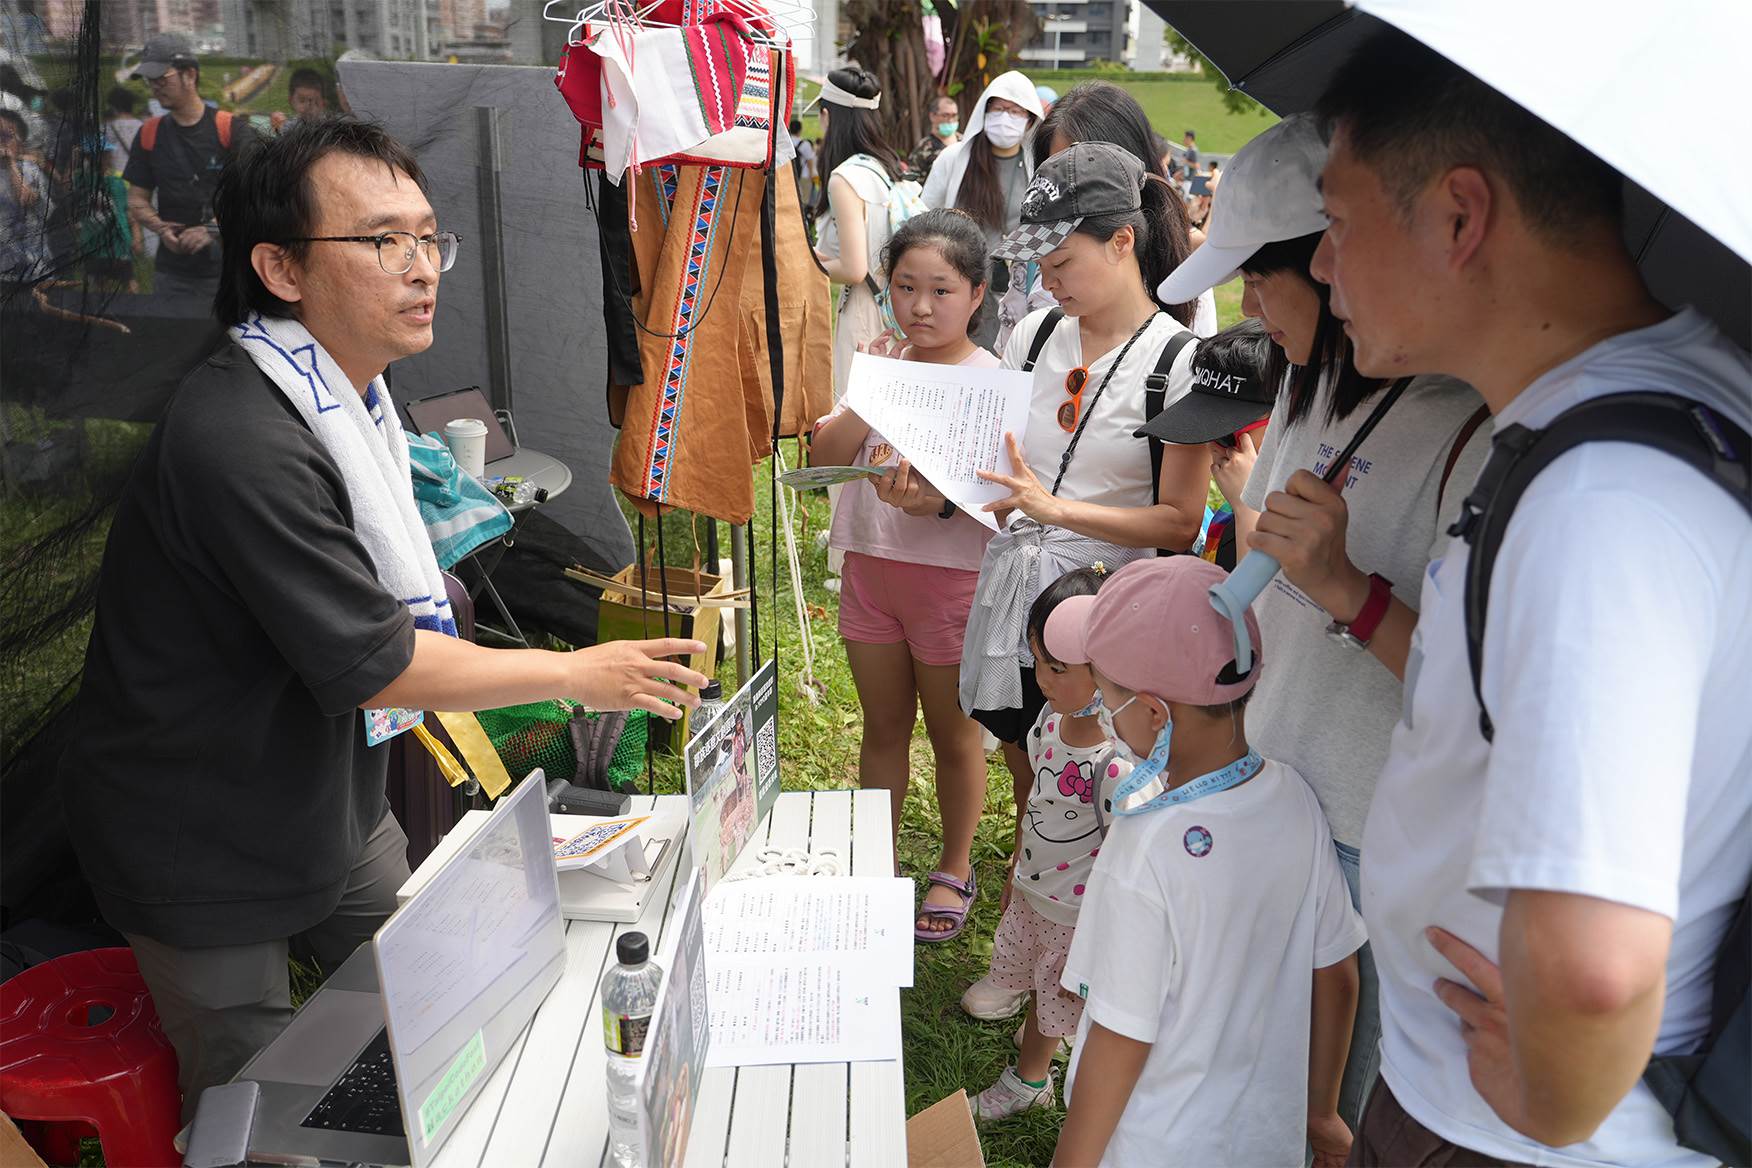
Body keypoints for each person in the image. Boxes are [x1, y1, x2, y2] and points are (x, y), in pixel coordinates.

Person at [57, 117, 708, 1116]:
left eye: (427, 238)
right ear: (278, 266)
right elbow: (381, 663)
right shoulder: (241, 436)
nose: (421, 268)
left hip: (327, 789)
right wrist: (581, 670)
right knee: (257, 1097)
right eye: (380, 241)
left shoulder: (343, 395)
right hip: (199, 820)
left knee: (449, 981)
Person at [1300, 32, 1752, 1166]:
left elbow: (1596, 972)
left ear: (1460, 216)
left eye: (1340, 221)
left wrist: (1551, 1101)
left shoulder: (1605, 504)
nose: (1319, 265)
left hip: (1510, 1134)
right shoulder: (1630, 415)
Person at [1157, 112, 1493, 1135]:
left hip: (1367, 827)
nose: (1250, 304)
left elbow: (1482, 682)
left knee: (1333, 1101)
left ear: (1333, 256)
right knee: (1257, 1064)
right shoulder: (1307, 379)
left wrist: (1353, 587)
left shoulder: (1471, 420)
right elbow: (1270, 552)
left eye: (1264, 276)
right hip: (1275, 776)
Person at [883, 143, 1210, 900]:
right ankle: (1034, 908)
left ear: (1122, 241)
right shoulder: (1030, 338)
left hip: (1111, 612)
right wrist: (930, 496)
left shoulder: (1177, 361)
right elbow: (993, 471)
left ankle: (1079, 948)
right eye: (1038, 266)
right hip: (1022, 596)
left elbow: (1181, 520)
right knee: (1032, 752)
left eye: (1060, 262)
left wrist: (1053, 509)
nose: (1046, 281)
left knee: (1106, 774)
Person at [1044, 556, 1366, 1167]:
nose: (1103, 713)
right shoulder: (1294, 797)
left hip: (1154, 1148)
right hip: (1267, 1143)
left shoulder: (1142, 852)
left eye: (1106, 695)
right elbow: (1338, 976)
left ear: (1154, 714)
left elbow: (1119, 1036)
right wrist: (1320, 1113)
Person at [812, 209, 997, 940]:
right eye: (905, 286)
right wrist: (873, 392)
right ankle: (878, 863)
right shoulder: (879, 370)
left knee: (955, 736)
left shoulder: (989, 383)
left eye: (942, 291)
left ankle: (955, 866)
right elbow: (827, 449)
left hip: (950, 584)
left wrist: (935, 502)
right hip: (871, 566)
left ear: (977, 296)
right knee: (883, 725)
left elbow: (994, 499)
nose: (921, 306)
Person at [961, 567, 1129, 1119]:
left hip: (1073, 913)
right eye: (1038, 663)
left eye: (1059, 668)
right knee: (1036, 979)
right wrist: (1015, 869)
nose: (1044, 680)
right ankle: (1045, 1035)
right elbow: (1036, 808)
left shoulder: (1115, 765)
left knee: (1051, 992)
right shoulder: (1047, 727)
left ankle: (1030, 1079)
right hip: (1036, 892)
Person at [1033, 81, 1216, 337]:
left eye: (1086, 169)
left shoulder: (1183, 274)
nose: (1048, 282)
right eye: (1055, 169)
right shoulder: (1034, 252)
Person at [123, 33, 255, 305]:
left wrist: (212, 229)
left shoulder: (231, 130)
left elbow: (256, 196)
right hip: (171, 274)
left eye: (162, 78)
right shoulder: (149, 134)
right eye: (150, 81)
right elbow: (136, 199)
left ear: (190, 75)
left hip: (229, 271)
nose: (155, 87)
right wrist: (160, 228)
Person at [1139, 317, 1277, 571]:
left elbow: (1254, 606)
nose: (1213, 448)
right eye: (1205, 432)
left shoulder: (1308, 525)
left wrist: (1247, 506)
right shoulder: (1224, 521)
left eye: (1226, 435)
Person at [919, 70, 1044, 348]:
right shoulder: (955, 159)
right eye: (999, 109)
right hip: (959, 278)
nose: (1005, 117)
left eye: (1015, 111)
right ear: (985, 111)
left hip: (1015, 285)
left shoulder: (1038, 166)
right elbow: (925, 216)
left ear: (1030, 119)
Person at [811, 67, 907, 400]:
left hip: (865, 312)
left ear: (827, 116)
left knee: (856, 419)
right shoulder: (885, 167)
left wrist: (806, 265)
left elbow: (853, 268)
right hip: (895, 308)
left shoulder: (844, 178)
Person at [0, 107, 49, 284]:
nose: (1, 142)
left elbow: (25, 199)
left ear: (19, 144)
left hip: (32, 268)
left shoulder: (29, 171)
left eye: (6, 136)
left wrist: (11, 163)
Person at [908, 93, 960, 182]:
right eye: (945, 115)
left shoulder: (965, 141)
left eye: (954, 115)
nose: (950, 120)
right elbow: (914, 185)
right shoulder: (923, 150)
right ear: (932, 116)